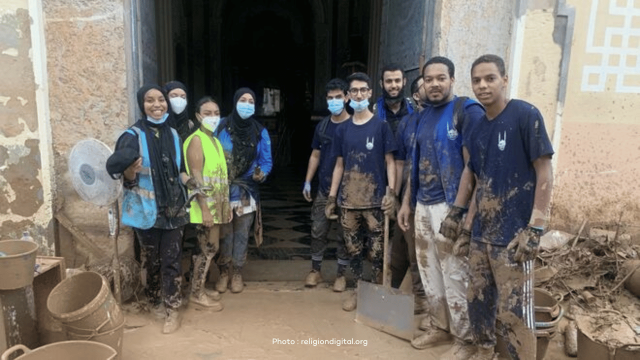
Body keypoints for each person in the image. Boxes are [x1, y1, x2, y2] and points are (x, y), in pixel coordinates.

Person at [442, 54, 554, 360]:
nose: (482, 86)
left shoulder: (525, 115)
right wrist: (462, 221)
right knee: (478, 300)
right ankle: (484, 352)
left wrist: (535, 227)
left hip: (515, 239)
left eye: (490, 78)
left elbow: (544, 172)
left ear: (504, 80)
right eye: (476, 80)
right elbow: (479, 180)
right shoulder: (478, 128)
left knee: (515, 312)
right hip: (482, 236)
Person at [396, 56, 485, 356]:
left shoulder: (465, 111)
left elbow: (473, 166)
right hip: (423, 205)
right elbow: (415, 164)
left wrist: (461, 213)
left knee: (454, 274)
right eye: (429, 79)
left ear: (451, 80)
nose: (434, 84)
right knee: (428, 271)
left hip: (450, 206)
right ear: (422, 84)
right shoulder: (423, 115)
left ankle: (465, 340)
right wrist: (407, 203)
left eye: (440, 78)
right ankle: (438, 326)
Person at [108, 84, 189, 334]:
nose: (157, 104)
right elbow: (122, 177)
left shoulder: (174, 135)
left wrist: (195, 185)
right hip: (146, 210)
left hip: (174, 209)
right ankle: (153, 299)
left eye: (161, 99)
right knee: (151, 261)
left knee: (172, 261)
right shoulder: (131, 136)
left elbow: (181, 170)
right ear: (141, 104)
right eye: (149, 100)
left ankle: (172, 309)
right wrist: (130, 171)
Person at [325, 72, 397, 311]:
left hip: (375, 202)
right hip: (349, 202)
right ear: (348, 96)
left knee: (376, 252)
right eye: (353, 91)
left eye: (362, 90)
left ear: (369, 93)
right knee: (354, 250)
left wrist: (392, 193)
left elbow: (390, 162)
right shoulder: (342, 130)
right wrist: (332, 197)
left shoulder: (382, 127)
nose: (358, 94)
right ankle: (358, 291)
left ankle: (375, 292)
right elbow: (339, 165)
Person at [214, 88, 272, 294]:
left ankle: (237, 272)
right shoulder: (220, 126)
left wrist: (261, 174)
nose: (246, 104)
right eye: (242, 100)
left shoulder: (259, 131)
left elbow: (266, 162)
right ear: (234, 102)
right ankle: (223, 272)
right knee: (224, 233)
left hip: (246, 191)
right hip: (221, 190)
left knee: (241, 233)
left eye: (250, 101)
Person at [382, 75, 429, 312]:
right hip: (409, 199)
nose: (433, 86)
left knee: (419, 252)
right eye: (426, 84)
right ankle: (396, 293)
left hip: (433, 198)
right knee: (401, 250)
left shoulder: (451, 117)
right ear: (417, 95)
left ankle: (421, 300)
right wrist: (395, 195)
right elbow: (399, 163)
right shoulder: (407, 123)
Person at [183, 96, 231, 311]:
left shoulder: (215, 140)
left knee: (206, 249)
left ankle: (197, 286)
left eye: (216, 113)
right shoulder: (196, 140)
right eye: (207, 113)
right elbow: (196, 178)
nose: (213, 117)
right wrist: (205, 209)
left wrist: (224, 206)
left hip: (217, 206)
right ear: (198, 116)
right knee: (207, 250)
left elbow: (219, 177)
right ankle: (196, 294)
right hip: (205, 207)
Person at [302, 78, 351, 290]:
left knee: (344, 233)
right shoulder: (323, 126)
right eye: (330, 98)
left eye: (338, 97)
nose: (334, 101)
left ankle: (341, 274)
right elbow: (315, 154)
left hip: (348, 192)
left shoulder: (355, 125)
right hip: (323, 189)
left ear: (347, 97)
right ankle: (316, 270)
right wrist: (307, 181)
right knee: (318, 230)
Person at [373, 63, 414, 134]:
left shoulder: (414, 107)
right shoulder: (373, 113)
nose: (393, 86)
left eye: (397, 81)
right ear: (381, 84)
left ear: (404, 82)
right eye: (389, 81)